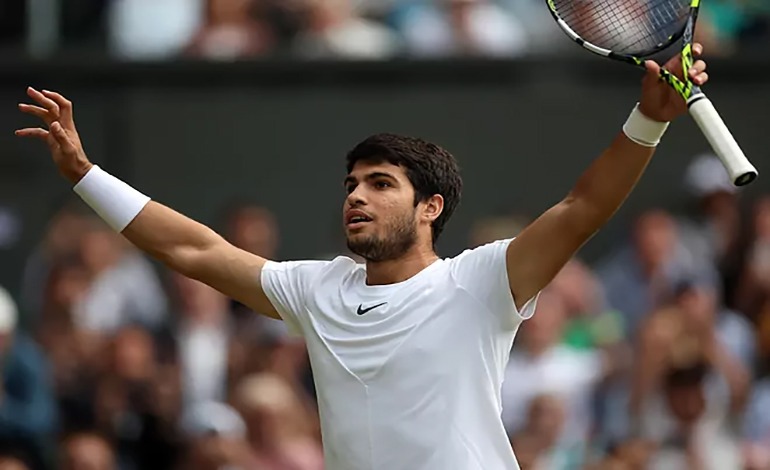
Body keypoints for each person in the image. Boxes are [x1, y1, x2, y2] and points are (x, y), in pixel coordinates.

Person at [15, 45, 710, 469]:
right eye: (352, 184)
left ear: (430, 207)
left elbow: (583, 208)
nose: (357, 196)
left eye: (381, 185)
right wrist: (84, 173)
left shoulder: (482, 282)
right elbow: (193, 247)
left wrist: (648, 119)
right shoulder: (315, 289)